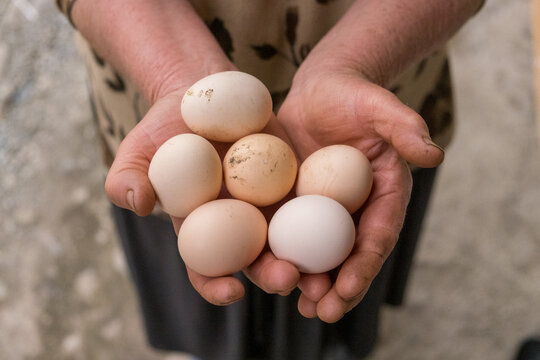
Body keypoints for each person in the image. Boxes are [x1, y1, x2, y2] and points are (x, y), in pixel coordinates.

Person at [56, 0, 485, 359]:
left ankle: (336, 347)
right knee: (203, 273)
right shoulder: (187, 153)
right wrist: (172, 72)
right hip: (157, 76)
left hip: (371, 97)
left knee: (339, 274)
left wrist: (355, 61)